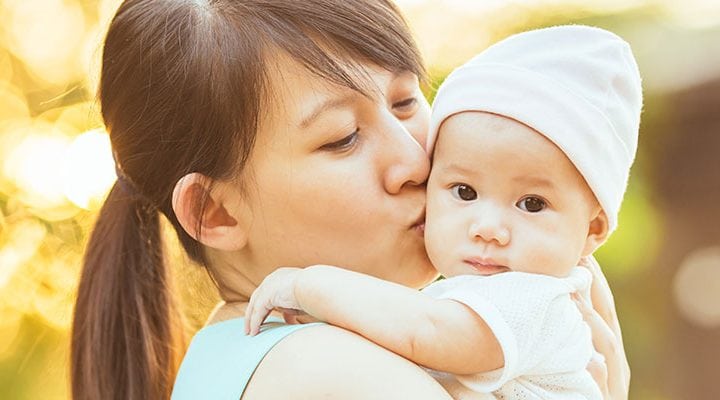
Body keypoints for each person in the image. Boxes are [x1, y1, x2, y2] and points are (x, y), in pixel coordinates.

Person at [70, 0, 630, 398]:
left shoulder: (232, 353)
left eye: (407, 101)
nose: (414, 162)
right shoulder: (338, 374)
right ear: (214, 212)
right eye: (342, 138)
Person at [244, 25, 641, 400]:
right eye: (465, 192)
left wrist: (308, 286)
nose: (488, 229)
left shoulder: (537, 302)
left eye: (532, 204)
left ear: (593, 229)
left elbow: (427, 331)